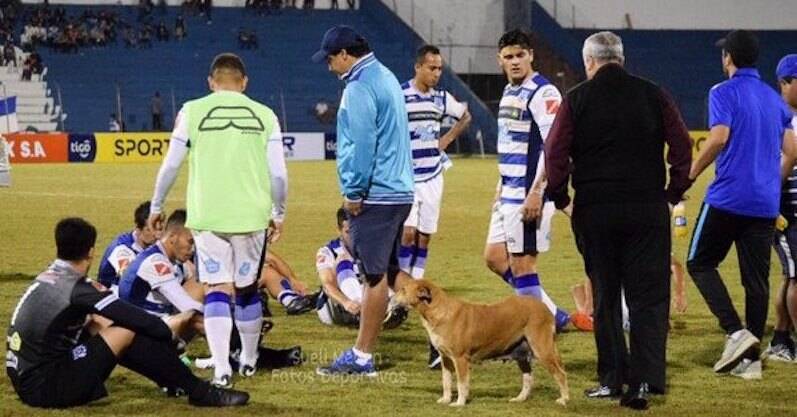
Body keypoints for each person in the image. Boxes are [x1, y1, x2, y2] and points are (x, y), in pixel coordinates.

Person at [545, 31, 692, 410]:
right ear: (621, 59)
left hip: (595, 209)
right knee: (648, 298)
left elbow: (555, 153)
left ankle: (612, 379)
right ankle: (644, 381)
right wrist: (673, 192)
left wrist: (562, 198)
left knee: (607, 297)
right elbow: (681, 146)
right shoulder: (654, 94)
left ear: (589, 61)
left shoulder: (576, 98)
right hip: (646, 208)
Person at [147, 53, 287, 388]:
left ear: (211, 82)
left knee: (216, 291)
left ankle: (222, 366)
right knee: (247, 289)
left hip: (208, 217)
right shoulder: (265, 115)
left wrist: (157, 204)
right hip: (252, 216)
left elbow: (170, 164)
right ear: (245, 82)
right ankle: (250, 360)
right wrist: (278, 212)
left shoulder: (192, 110)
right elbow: (279, 174)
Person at [5, 217, 248, 408]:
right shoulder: (78, 288)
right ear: (90, 251)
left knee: (98, 322)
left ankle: (176, 383)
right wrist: (169, 334)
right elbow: (133, 318)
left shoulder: (48, 276)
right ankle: (198, 391)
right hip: (45, 387)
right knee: (126, 329)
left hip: (25, 378)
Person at [686, 30, 797, 380]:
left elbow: (718, 137)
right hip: (764, 203)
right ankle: (750, 364)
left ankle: (736, 332)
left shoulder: (722, 91)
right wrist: (770, 184)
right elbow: (793, 150)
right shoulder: (774, 99)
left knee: (699, 262)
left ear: (728, 58)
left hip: (728, 197)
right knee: (756, 281)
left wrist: (688, 174)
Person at [311, 25, 413, 376]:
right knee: (390, 271)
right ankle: (440, 328)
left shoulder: (358, 87)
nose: (328, 67)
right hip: (399, 190)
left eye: (330, 59)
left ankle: (362, 356)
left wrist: (354, 191)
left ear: (344, 55)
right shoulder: (386, 76)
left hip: (377, 194)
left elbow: (362, 144)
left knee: (373, 276)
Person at [484, 29, 572, 330]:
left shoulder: (544, 93)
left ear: (531, 55)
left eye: (521, 55)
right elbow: (511, 141)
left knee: (523, 266)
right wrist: (500, 183)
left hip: (528, 194)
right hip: (508, 190)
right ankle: (552, 314)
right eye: (509, 57)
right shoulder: (510, 91)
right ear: (500, 60)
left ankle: (533, 336)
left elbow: (554, 146)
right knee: (495, 258)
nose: (515, 61)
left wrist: (537, 191)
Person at [399, 44, 471, 281]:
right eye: (432, 68)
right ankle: (402, 283)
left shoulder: (441, 98)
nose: (437, 73)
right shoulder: (400, 95)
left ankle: (416, 279)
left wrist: (447, 139)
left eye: (440, 69)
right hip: (407, 176)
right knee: (407, 233)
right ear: (418, 67)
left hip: (433, 175)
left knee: (425, 235)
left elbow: (465, 116)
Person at [765, 54, 797, 362]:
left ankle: (781, 339)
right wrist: (771, 204)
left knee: (791, 276)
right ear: (784, 83)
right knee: (796, 276)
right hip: (786, 211)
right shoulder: (778, 117)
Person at [96, 200, 159, 290]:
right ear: (138, 229)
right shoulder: (122, 250)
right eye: (149, 230)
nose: (156, 234)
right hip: (113, 294)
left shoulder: (154, 243)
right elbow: (130, 280)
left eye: (159, 229)